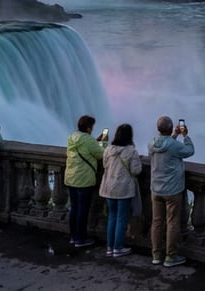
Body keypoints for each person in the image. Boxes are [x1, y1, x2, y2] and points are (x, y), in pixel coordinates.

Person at [149, 115, 193, 268]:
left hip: (156, 189)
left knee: (156, 222)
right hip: (172, 190)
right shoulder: (175, 146)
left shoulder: (152, 143)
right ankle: (170, 256)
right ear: (169, 128)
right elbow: (189, 151)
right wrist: (185, 135)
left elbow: (165, 145)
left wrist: (174, 135)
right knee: (172, 222)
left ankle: (155, 255)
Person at [100, 123, 142, 257]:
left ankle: (109, 247)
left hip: (109, 188)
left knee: (111, 217)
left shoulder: (108, 150)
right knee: (121, 218)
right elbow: (136, 170)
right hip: (124, 189)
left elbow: (105, 165)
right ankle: (118, 248)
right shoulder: (131, 151)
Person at [64, 114, 103, 248]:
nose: (92, 128)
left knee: (74, 208)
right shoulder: (88, 140)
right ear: (88, 128)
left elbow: (84, 150)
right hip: (84, 180)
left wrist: (94, 142)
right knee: (83, 210)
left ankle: (73, 237)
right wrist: (102, 143)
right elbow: (100, 154)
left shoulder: (72, 137)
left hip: (70, 177)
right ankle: (81, 239)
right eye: (92, 126)